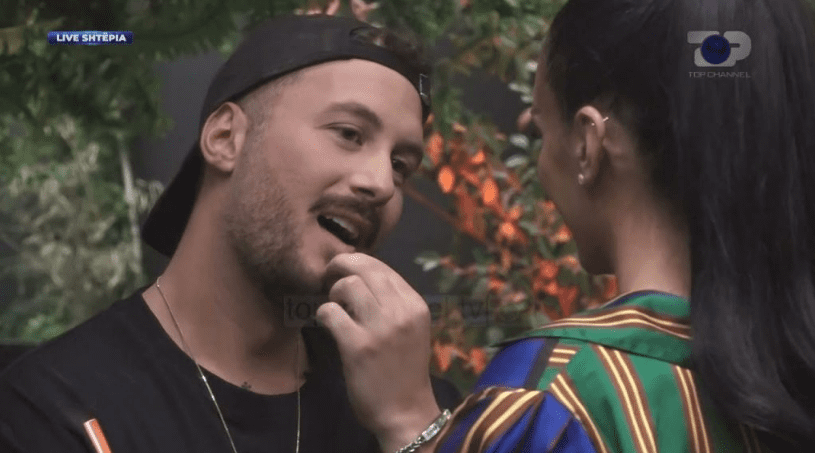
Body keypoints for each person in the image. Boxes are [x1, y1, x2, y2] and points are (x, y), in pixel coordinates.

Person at [317, 0, 815, 451]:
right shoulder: (784, 376)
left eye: (540, 130)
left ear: (587, 145)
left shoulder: (558, 397)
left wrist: (410, 425)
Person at [0, 14, 461, 453]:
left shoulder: (414, 409)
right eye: (349, 133)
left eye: (400, 165)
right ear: (225, 138)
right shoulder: (50, 408)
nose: (382, 184)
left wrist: (408, 425)